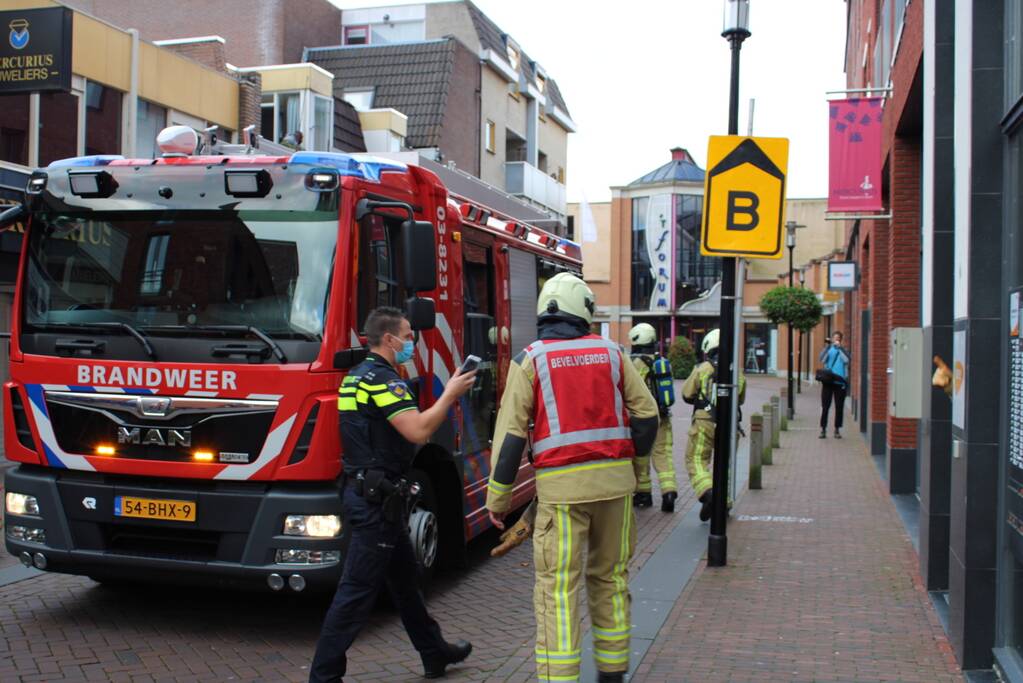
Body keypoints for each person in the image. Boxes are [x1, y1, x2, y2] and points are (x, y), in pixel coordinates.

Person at [484, 273, 658, 683]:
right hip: (615, 491)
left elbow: (510, 439)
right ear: (586, 311)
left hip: (561, 498)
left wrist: (497, 501)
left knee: (558, 589)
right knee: (610, 578)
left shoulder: (530, 360)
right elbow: (647, 418)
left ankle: (560, 678)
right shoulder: (614, 354)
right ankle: (612, 672)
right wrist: (633, 469)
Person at [309, 306, 477, 683]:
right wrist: (449, 393)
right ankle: (323, 676)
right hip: (377, 504)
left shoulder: (354, 377)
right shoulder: (384, 381)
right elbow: (417, 431)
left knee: (405, 584)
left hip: (370, 494)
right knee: (355, 594)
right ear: (389, 339)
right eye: (408, 336)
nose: (412, 343)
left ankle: (434, 653)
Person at [681, 329, 746, 522]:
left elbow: (686, 393)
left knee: (696, 458)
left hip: (704, 422)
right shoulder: (738, 371)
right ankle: (724, 503)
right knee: (724, 464)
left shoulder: (703, 368)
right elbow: (740, 399)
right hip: (729, 424)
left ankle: (708, 494)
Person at [627, 322, 679, 512]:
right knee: (663, 454)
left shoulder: (635, 363)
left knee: (641, 456)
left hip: (643, 419)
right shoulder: (661, 363)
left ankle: (643, 494)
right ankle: (669, 491)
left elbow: (631, 390)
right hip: (664, 416)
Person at [819, 331, 850, 439]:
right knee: (825, 406)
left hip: (840, 381)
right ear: (832, 339)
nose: (836, 340)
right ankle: (823, 429)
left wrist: (840, 348)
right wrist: (827, 347)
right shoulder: (828, 349)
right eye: (834, 338)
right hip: (828, 381)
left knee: (839, 407)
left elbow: (847, 360)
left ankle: (837, 429)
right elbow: (821, 359)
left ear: (840, 340)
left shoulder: (844, 350)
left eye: (838, 338)